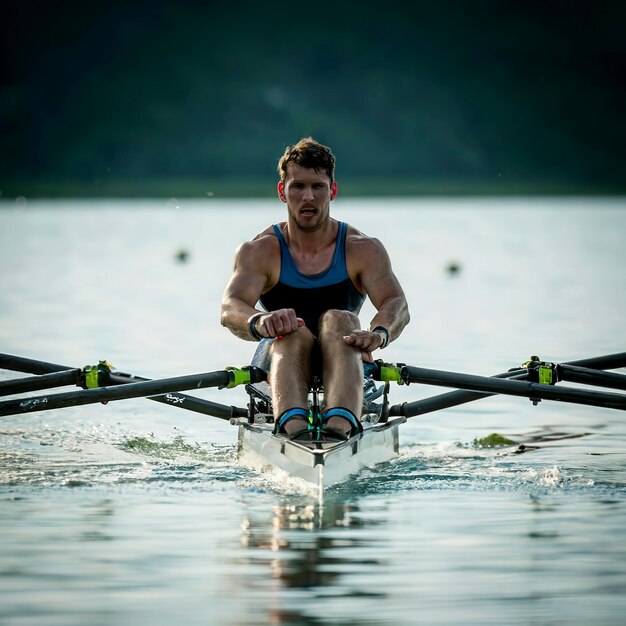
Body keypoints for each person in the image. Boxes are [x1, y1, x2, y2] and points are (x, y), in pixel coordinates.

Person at [220, 137, 410, 438]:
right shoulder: (258, 251)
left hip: (344, 352)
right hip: (280, 353)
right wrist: (259, 321)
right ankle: (296, 431)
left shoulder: (364, 249)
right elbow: (230, 308)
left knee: (341, 320)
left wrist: (378, 334)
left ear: (332, 190)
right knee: (290, 329)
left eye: (317, 186)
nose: (308, 197)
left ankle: (337, 428)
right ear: (283, 192)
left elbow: (396, 303)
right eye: (298, 186)